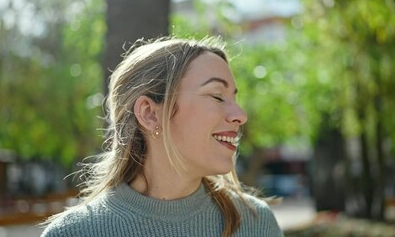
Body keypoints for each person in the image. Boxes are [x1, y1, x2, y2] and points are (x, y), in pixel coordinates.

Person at [41, 36, 283, 237]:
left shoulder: (257, 224)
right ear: (149, 113)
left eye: (234, 99)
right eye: (217, 96)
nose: (240, 115)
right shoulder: (72, 233)